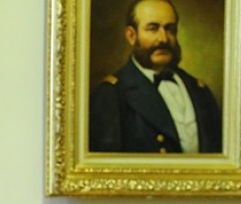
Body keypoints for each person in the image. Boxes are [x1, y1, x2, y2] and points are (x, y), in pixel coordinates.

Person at [89, 0, 222, 153]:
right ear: (131, 35)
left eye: (170, 29)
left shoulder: (199, 91)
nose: (163, 38)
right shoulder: (110, 95)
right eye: (153, 29)